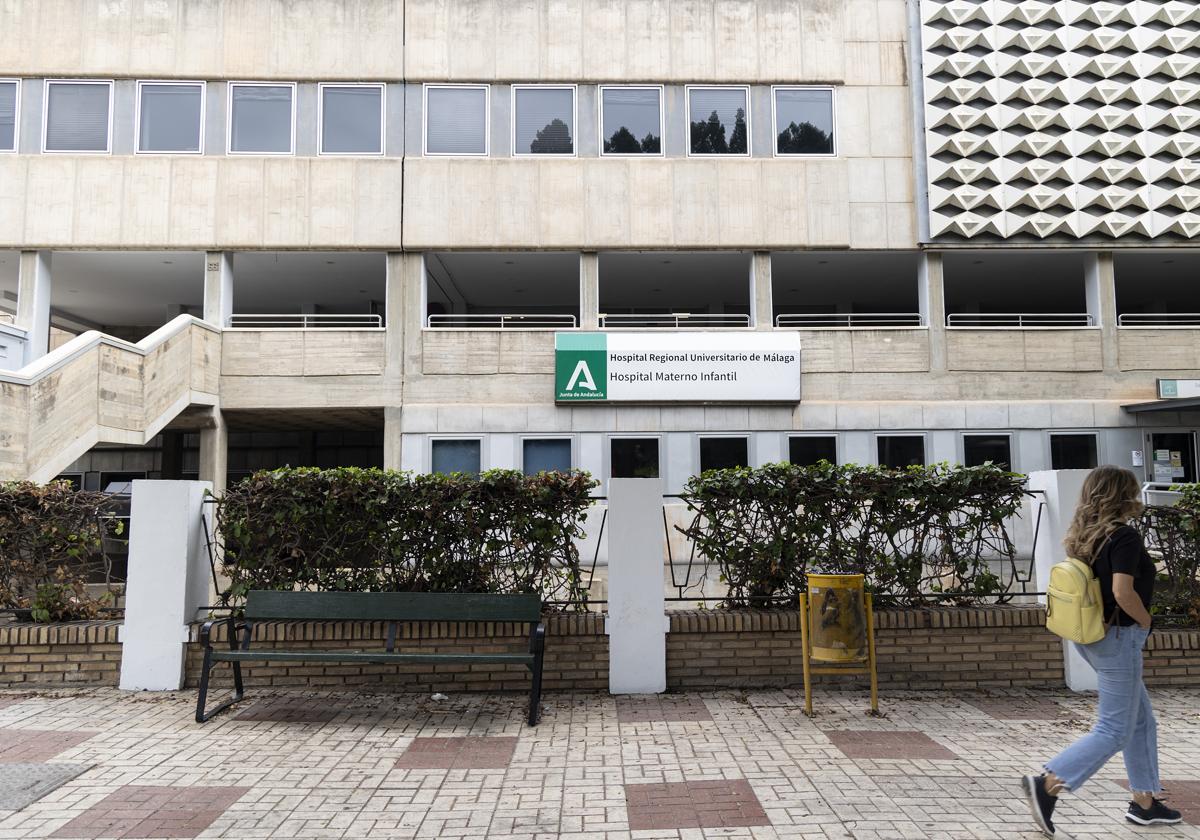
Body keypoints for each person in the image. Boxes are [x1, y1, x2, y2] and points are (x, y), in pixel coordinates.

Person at [1021, 465, 1181, 836]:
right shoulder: (1123, 537)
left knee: (1140, 722)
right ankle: (1048, 783)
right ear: (1124, 495)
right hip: (1119, 639)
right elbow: (1124, 593)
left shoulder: (1084, 535)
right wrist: (1146, 622)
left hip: (1090, 637)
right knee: (1114, 729)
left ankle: (1145, 804)